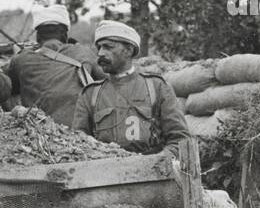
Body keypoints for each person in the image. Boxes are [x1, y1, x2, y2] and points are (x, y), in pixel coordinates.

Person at [72, 21, 189, 155]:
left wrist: (156, 162)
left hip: (152, 170)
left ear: (128, 50)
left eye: (108, 47)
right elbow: (78, 142)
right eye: (99, 48)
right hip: (105, 171)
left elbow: (180, 139)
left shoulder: (157, 87)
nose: (100, 53)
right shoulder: (90, 94)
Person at [7, 5, 101, 125]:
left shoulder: (22, 59)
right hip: (81, 131)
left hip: (40, 130)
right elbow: (108, 83)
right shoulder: (84, 53)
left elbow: (7, 90)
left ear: (38, 36)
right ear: (65, 35)